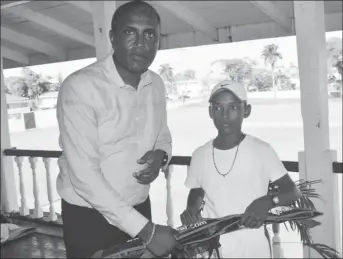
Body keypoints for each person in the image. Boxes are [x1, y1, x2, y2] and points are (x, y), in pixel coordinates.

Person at [56, 0, 179, 258]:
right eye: (129, 32)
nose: (141, 43)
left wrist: (161, 157)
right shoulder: (81, 87)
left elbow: (163, 136)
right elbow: (84, 176)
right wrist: (146, 232)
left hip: (138, 207)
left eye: (149, 34)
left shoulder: (155, 84)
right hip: (89, 216)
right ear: (112, 37)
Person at [181, 80, 302, 258]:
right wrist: (191, 211)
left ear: (247, 110)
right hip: (213, 246)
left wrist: (268, 201)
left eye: (233, 107)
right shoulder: (200, 154)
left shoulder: (262, 150)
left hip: (252, 245)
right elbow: (197, 190)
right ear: (210, 112)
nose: (225, 115)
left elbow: (292, 192)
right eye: (217, 108)